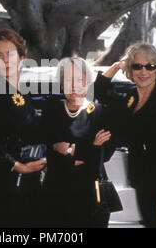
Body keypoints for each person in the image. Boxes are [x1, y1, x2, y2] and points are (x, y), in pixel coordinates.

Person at [94, 42, 156, 228]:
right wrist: (116, 65)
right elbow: (99, 91)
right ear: (130, 69)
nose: (143, 72)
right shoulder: (128, 98)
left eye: (150, 66)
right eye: (137, 66)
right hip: (143, 180)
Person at [0, 28, 46, 228]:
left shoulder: (22, 91)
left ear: (22, 57)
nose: (4, 60)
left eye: (10, 54)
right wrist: (18, 166)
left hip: (21, 186)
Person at [42, 57, 118, 227]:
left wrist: (69, 149)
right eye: (68, 79)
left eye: (79, 79)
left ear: (88, 82)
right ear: (61, 84)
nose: (74, 85)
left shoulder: (100, 113)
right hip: (56, 197)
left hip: (91, 198)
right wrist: (91, 149)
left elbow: (103, 156)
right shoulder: (51, 111)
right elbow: (51, 153)